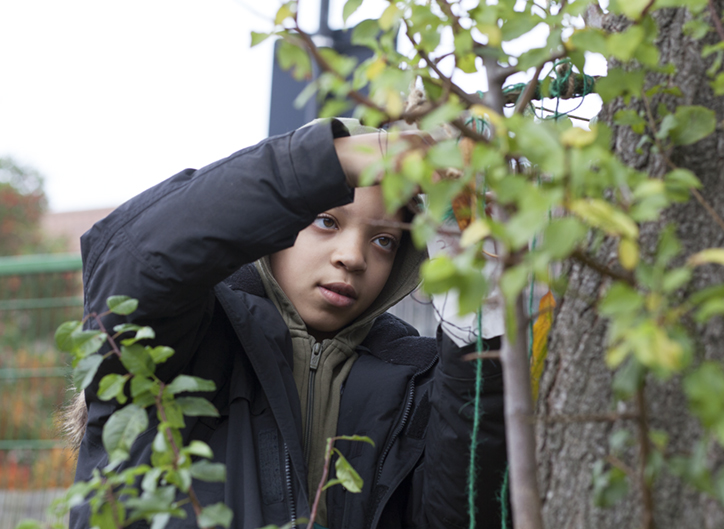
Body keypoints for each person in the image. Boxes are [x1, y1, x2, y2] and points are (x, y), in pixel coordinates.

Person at [66, 118, 508, 529]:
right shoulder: (187, 336)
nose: (353, 257)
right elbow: (131, 259)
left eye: (384, 240)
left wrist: (474, 329)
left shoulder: (416, 380)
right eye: (325, 220)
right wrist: (332, 159)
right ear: (273, 230)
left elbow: (463, 513)